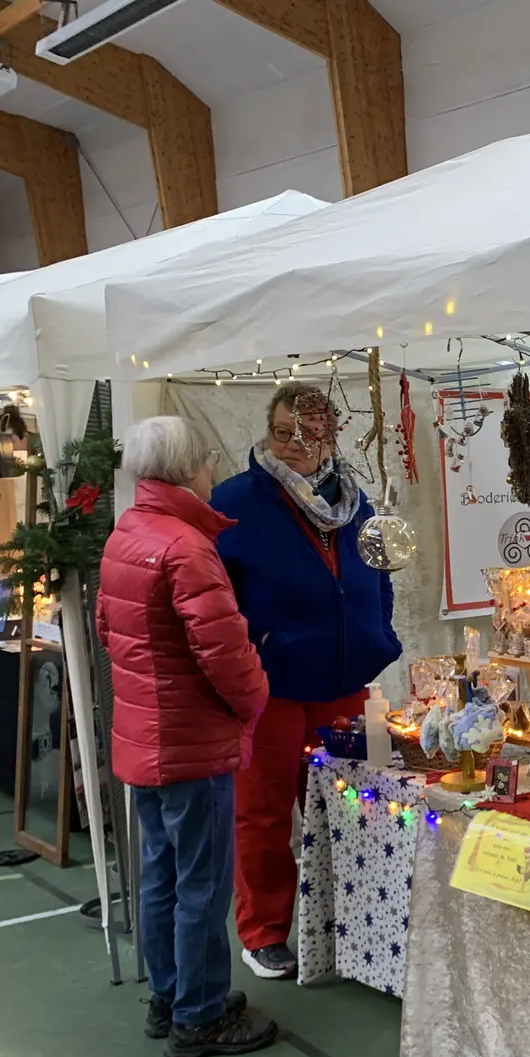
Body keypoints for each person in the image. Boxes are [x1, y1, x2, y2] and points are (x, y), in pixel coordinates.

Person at [97, 416, 278, 1057]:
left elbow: (108, 631)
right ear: (185, 470)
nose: (211, 468)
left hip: (144, 735)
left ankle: (172, 997)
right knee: (203, 880)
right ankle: (200, 1016)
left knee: (162, 874)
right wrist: (255, 697)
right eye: (205, 458)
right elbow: (225, 655)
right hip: (191, 742)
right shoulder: (186, 546)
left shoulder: (128, 533)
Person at [211, 383, 401, 981]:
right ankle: (264, 931)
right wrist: (258, 649)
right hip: (273, 687)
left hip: (346, 683)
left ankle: (355, 921)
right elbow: (217, 596)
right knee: (264, 813)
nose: (295, 445)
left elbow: (378, 571)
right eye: (283, 432)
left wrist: (378, 628)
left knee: (355, 807)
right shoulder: (235, 502)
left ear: (331, 438)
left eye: (310, 433)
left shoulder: (356, 501)